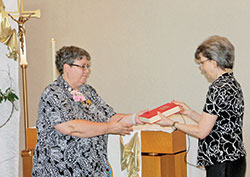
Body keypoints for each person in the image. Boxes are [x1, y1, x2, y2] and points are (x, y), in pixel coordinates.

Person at [32, 46, 144, 177]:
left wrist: (134, 118)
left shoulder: (87, 91)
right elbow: (70, 127)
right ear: (67, 67)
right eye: (82, 66)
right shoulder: (53, 93)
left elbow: (109, 116)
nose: (87, 71)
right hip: (62, 169)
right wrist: (108, 128)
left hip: (92, 168)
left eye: (88, 66)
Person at [156, 35, 246, 177]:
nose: (202, 68)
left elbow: (201, 131)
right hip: (235, 160)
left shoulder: (217, 88)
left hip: (221, 162)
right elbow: (215, 124)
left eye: (202, 62)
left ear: (213, 62)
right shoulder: (232, 84)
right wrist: (189, 112)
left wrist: (172, 123)